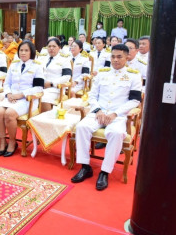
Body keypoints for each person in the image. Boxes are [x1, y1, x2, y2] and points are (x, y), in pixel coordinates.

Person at [71, 44, 142, 190]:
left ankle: (104, 172)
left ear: (127, 57)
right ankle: (85, 166)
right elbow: (92, 96)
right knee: (82, 127)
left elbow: (135, 100)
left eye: (119, 57)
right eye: (113, 56)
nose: (115, 60)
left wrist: (115, 113)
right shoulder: (102, 73)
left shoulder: (134, 75)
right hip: (99, 112)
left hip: (118, 115)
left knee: (115, 133)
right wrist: (98, 111)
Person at [0, 41, 44, 157]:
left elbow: (38, 88)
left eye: (26, 50)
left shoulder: (37, 66)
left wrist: (21, 94)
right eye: (21, 50)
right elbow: (6, 84)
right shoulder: (14, 65)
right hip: (11, 97)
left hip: (27, 100)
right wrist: (9, 94)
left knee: (9, 114)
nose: (23, 53)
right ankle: (2, 141)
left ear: (31, 52)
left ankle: (12, 142)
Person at [41, 38, 72, 112]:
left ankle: (46, 120)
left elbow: (67, 76)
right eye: (49, 46)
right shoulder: (42, 58)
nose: (51, 48)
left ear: (59, 47)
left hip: (56, 89)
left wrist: (52, 83)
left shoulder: (64, 59)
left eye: (54, 46)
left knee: (43, 98)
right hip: (41, 86)